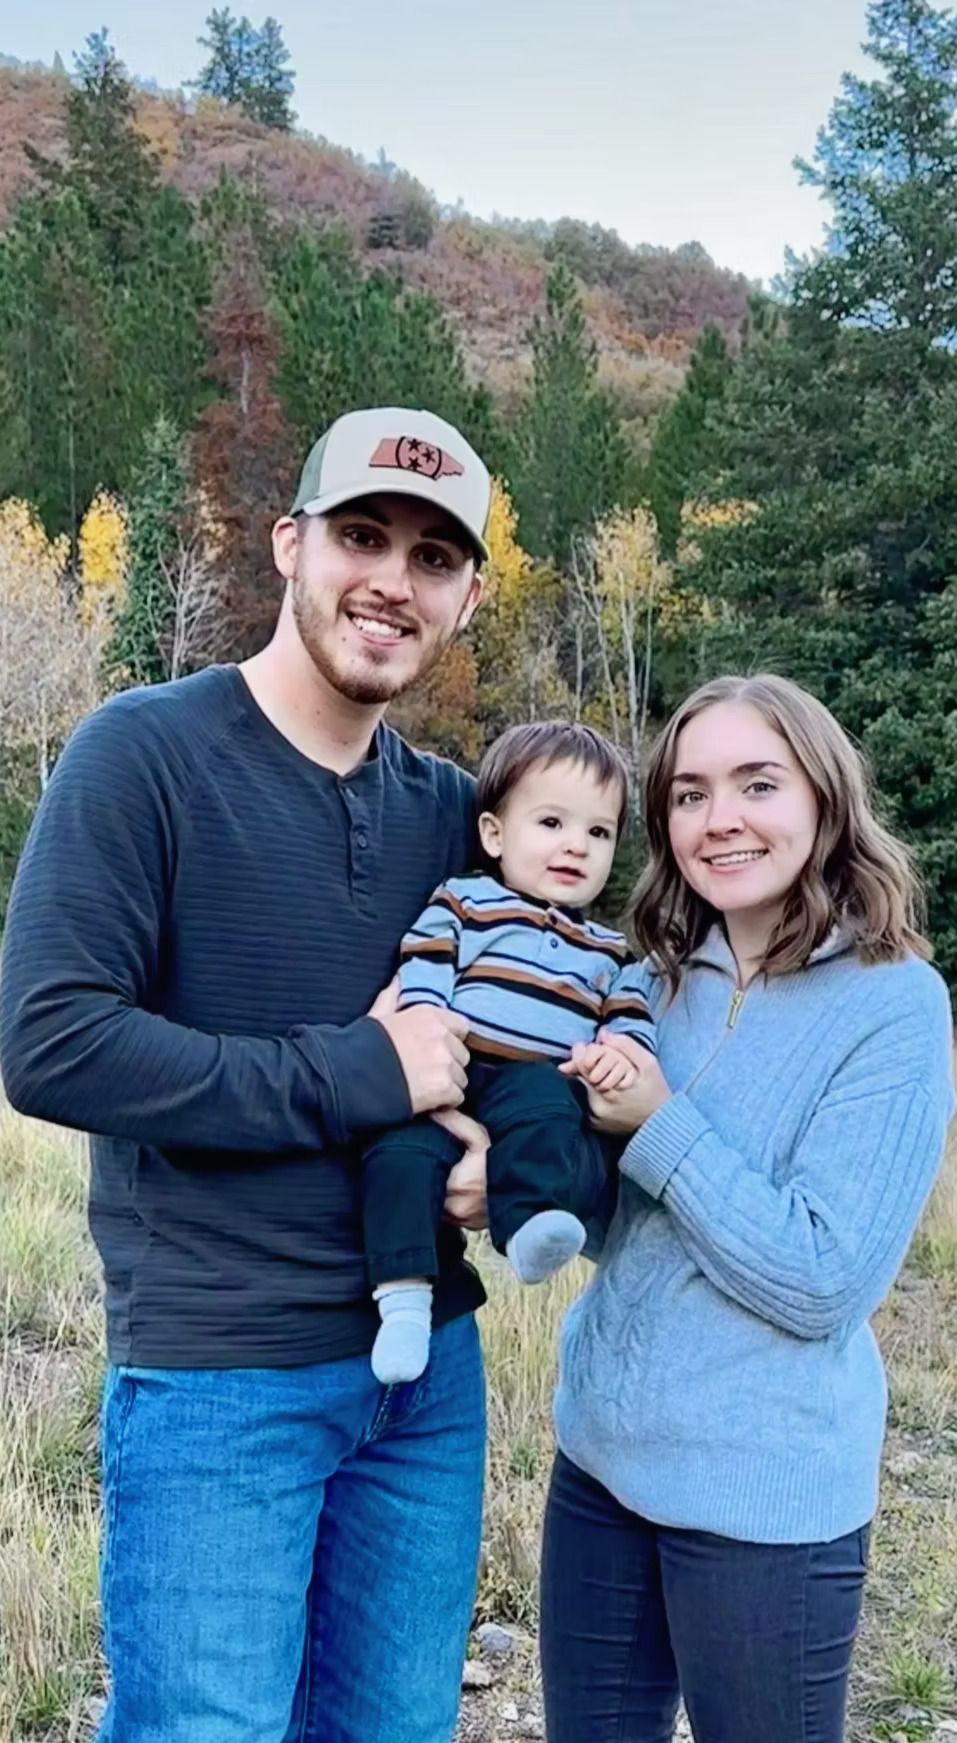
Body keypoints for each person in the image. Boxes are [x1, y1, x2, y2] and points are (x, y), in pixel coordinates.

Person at [0, 407, 498, 1743]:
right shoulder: (142, 755)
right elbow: (53, 1039)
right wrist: (356, 1071)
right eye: (361, 534)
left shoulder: (453, 810)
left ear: (468, 595)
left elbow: (521, 1021)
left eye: (434, 554)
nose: (393, 577)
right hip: (222, 1382)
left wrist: (505, 1143)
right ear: (290, 546)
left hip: (427, 1380)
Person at [542, 673, 956, 1743]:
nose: (717, 818)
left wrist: (656, 1123)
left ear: (822, 799)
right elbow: (621, 1231)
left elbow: (821, 1279)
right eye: (686, 793)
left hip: (761, 1508)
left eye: (754, 783)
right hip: (597, 1467)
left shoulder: (890, 1004)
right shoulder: (653, 977)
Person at [363, 720, 659, 1385]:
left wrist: (621, 1052)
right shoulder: (465, 901)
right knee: (397, 1154)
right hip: (455, 1070)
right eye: (551, 822)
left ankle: (528, 1227)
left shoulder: (609, 951)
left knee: (551, 1107)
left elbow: (628, 1020)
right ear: (496, 833)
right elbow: (426, 960)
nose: (574, 846)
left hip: (535, 1082)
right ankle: (404, 1296)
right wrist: (426, 1018)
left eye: (598, 832)